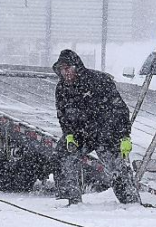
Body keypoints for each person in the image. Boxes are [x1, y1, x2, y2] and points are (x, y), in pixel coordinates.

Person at [52, 49, 139, 205]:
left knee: (117, 169)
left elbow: (120, 110)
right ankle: (71, 200)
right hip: (81, 135)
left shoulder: (99, 81)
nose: (65, 73)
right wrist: (69, 134)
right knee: (62, 155)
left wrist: (125, 136)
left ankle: (130, 202)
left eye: (68, 68)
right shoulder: (62, 88)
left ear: (76, 66)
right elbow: (62, 115)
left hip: (106, 133)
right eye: (61, 69)